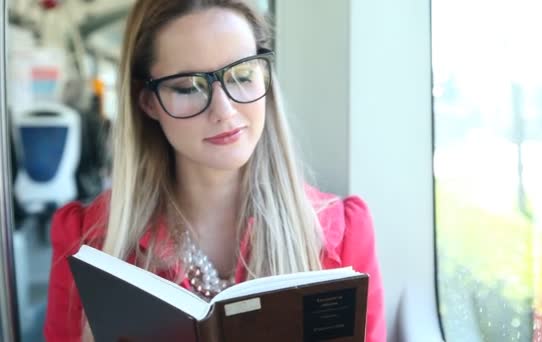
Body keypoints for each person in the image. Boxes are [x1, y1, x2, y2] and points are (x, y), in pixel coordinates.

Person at [43, 1, 386, 341]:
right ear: (147, 102)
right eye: (189, 87)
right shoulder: (86, 242)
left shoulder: (343, 237)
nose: (224, 110)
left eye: (241, 75)